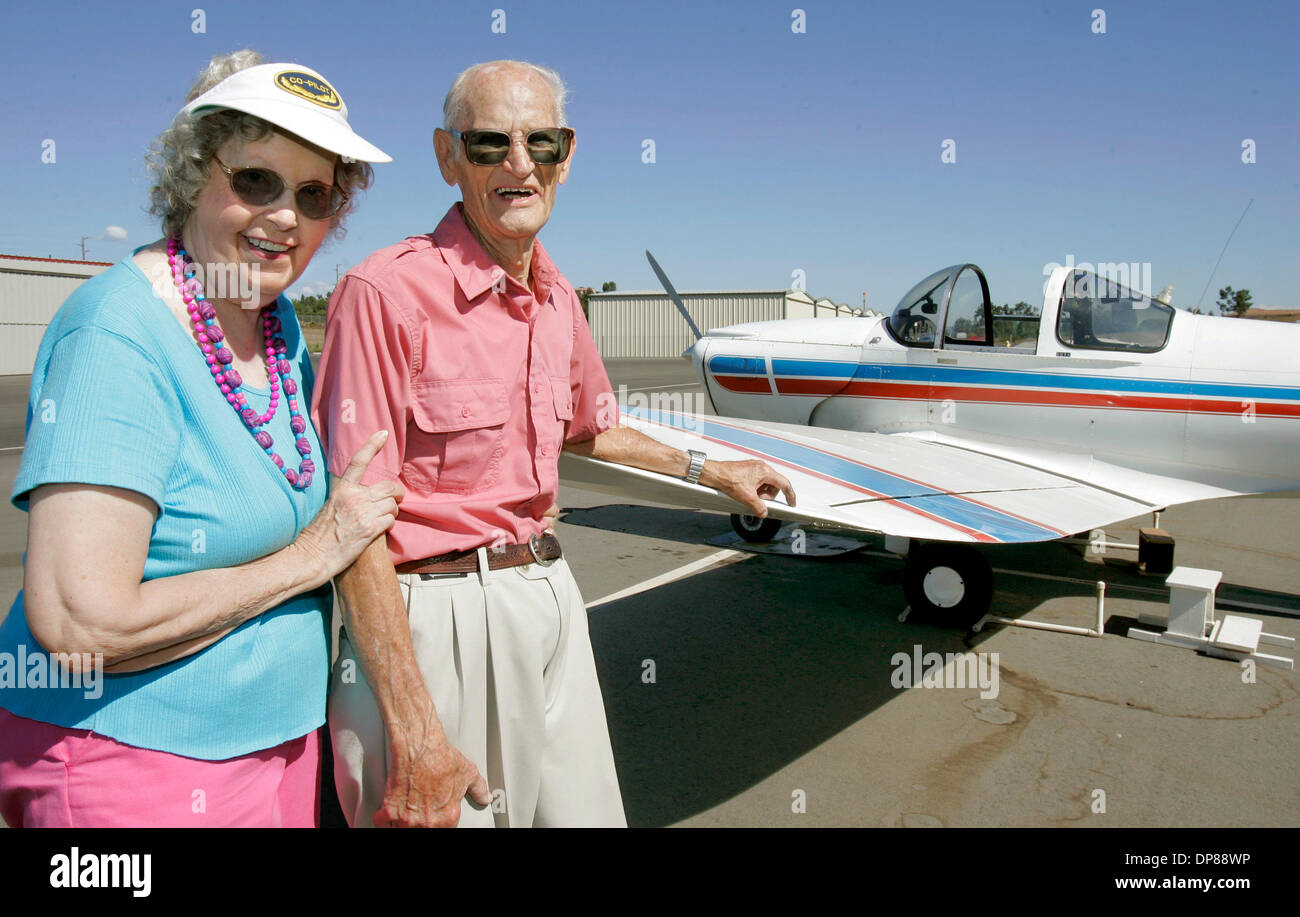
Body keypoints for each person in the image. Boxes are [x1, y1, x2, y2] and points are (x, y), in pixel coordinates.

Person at [313, 59, 795, 828]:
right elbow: (353, 524)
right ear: (447, 157)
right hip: (437, 617)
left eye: (542, 142)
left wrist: (712, 469)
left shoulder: (559, 296)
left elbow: (592, 424)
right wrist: (411, 722)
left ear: (565, 158)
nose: (518, 164)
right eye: (488, 145)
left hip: (549, 594)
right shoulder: (385, 293)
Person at [0, 50, 401, 827]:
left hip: (277, 745)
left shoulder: (276, 324)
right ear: (192, 175)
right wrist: (312, 555)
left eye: (313, 194)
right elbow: (83, 620)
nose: (285, 214)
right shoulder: (117, 335)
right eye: (256, 180)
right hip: (131, 762)